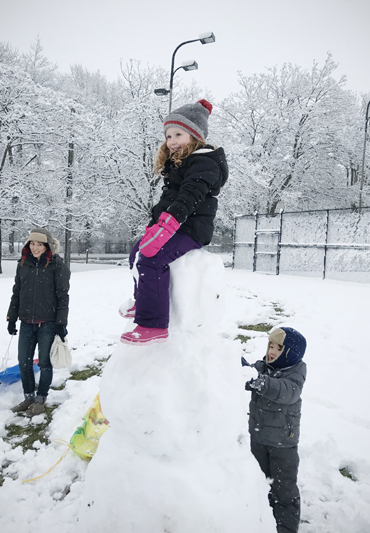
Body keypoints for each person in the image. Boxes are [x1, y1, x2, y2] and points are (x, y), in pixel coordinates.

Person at [119, 99, 228, 346]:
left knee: (152, 258)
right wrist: (152, 227)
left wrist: (165, 228)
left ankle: (153, 323)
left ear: (195, 136)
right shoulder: (179, 163)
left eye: (178, 134)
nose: (172, 141)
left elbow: (187, 198)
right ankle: (143, 302)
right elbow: (167, 200)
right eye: (168, 136)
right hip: (174, 224)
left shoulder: (204, 163)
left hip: (190, 228)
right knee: (137, 250)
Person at [245, 327, 307, 533]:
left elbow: (287, 392)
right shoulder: (263, 367)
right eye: (270, 345)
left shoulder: (295, 375)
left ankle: (286, 528)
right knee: (259, 483)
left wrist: (260, 381)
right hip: (258, 438)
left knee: (284, 490)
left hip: (283, 445)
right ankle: (262, 522)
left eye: (279, 348)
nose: (271, 351)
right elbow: (248, 373)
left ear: (291, 354)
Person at [7, 228, 70, 417]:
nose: (34, 248)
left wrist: (61, 324)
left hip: (48, 324)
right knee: (24, 363)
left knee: (44, 363)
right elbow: (17, 292)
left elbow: (63, 297)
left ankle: (40, 400)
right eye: (32, 244)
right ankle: (28, 397)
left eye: (39, 244)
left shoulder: (57, 266)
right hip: (26, 322)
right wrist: (11, 317)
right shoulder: (23, 264)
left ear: (47, 246)